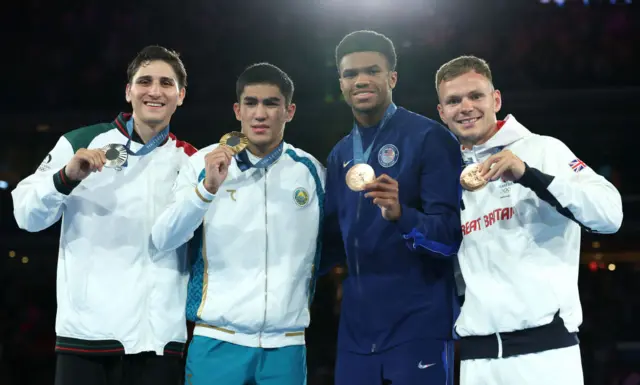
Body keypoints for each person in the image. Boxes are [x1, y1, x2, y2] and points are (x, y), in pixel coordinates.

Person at [11, 45, 197, 385]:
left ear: (181, 95)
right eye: (145, 81)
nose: (155, 91)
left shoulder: (192, 160)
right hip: (86, 338)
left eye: (166, 84)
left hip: (159, 342)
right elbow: (26, 215)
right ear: (128, 91)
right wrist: (65, 177)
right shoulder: (81, 142)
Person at [434, 55, 624, 385]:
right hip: (477, 361)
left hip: (545, 356)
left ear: (496, 99)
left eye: (475, 96)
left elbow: (610, 214)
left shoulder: (541, 150)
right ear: (441, 113)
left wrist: (528, 174)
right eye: (453, 100)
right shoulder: (443, 174)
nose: (465, 107)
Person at [151, 62, 325, 385]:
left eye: (271, 103)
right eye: (251, 103)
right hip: (216, 340)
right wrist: (207, 190)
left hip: (286, 345)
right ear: (237, 110)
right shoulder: (201, 165)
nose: (260, 113)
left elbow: (327, 247)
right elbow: (163, 238)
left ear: (289, 111)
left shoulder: (311, 172)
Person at [322, 30, 463, 385]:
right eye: (351, 74)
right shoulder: (340, 155)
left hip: (419, 325)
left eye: (372, 70)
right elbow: (333, 243)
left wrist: (403, 216)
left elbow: (450, 236)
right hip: (356, 331)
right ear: (341, 83)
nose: (361, 80)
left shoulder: (430, 139)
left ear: (392, 78)